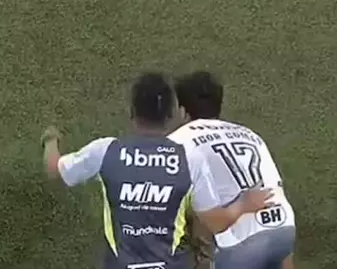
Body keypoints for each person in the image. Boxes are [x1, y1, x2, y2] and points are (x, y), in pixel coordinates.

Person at [40, 72, 272, 269]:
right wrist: (244, 204)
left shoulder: (105, 151)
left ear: (132, 111)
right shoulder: (190, 158)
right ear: (171, 114)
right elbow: (215, 223)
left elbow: (55, 170)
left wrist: (51, 141)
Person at [167, 71, 296, 269]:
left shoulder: (178, 141)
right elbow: (275, 192)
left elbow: (214, 222)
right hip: (284, 230)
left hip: (241, 246)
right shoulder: (250, 135)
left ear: (183, 111)